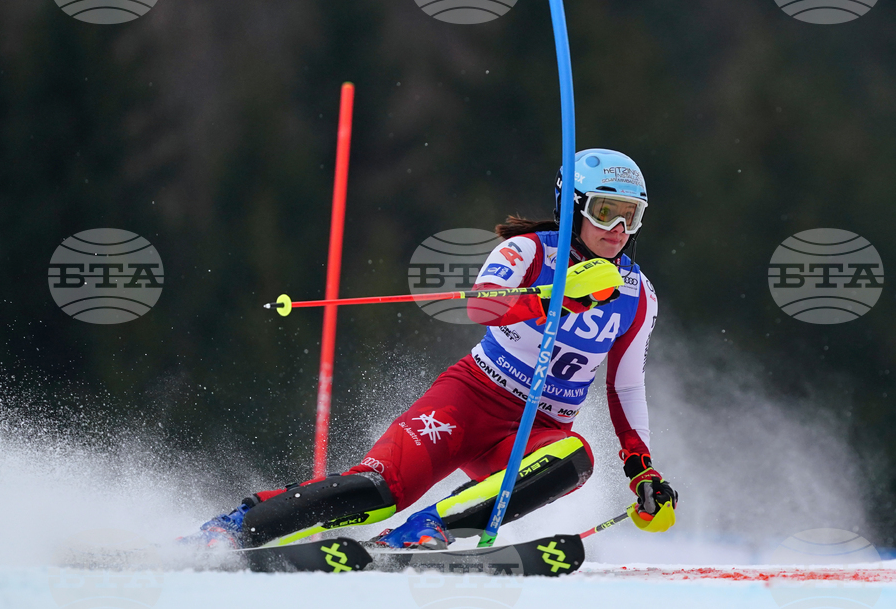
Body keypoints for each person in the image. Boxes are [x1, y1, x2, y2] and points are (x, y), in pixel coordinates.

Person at [187, 148, 677, 550]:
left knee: (575, 458)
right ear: (572, 206)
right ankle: (239, 526)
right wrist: (557, 297)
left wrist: (641, 468)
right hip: (469, 400)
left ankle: (425, 531)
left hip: (536, 429)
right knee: (378, 490)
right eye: (604, 211)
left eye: (629, 217)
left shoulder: (639, 295)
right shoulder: (531, 251)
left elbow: (624, 384)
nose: (617, 229)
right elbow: (482, 308)